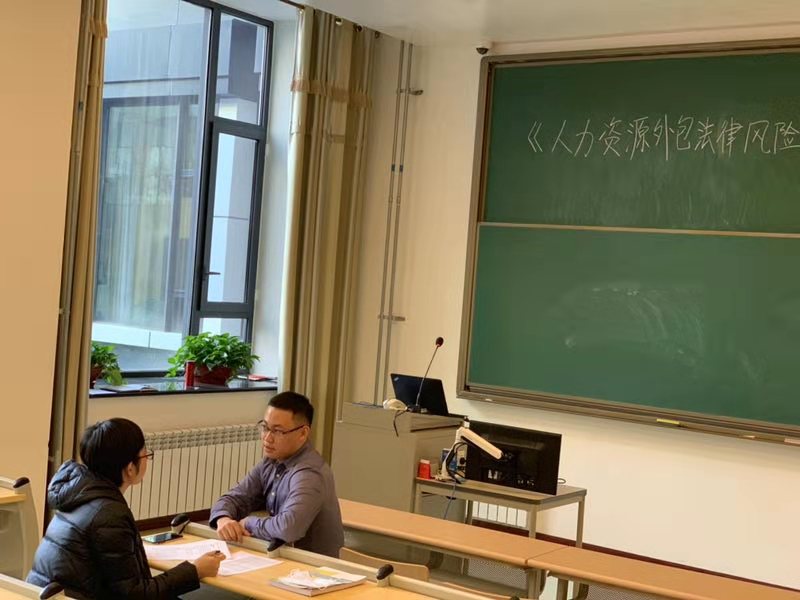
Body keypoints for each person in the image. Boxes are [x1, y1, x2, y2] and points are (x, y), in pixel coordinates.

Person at [27, 418, 222, 599]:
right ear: (130, 468)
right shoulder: (109, 515)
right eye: (145, 455)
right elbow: (135, 595)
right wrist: (195, 570)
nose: (147, 461)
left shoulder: (78, 493)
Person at [210, 391, 344, 557]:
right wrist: (223, 519)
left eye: (278, 431)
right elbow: (234, 498)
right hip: (283, 556)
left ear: (303, 433)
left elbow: (289, 528)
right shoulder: (271, 461)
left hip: (315, 566)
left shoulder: (310, 473)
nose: (267, 438)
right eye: (265, 427)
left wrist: (249, 523)